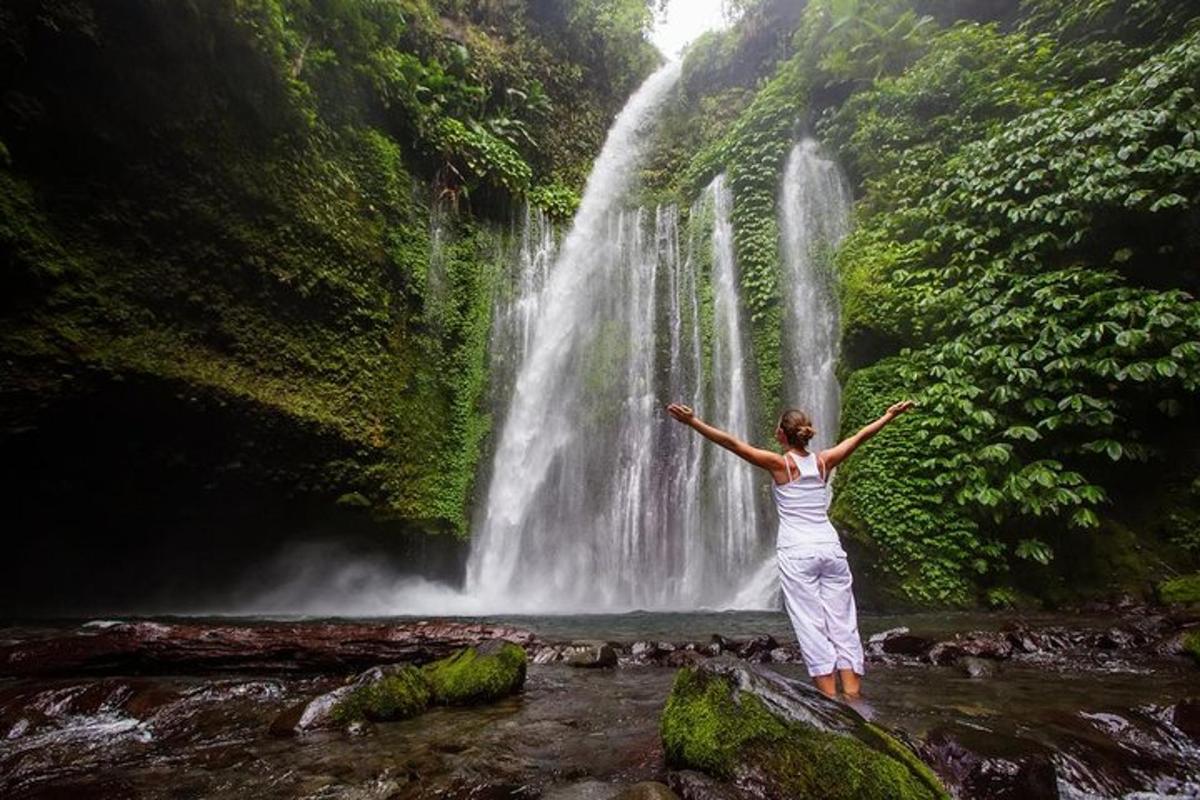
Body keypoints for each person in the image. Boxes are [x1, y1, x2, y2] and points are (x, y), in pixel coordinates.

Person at [666, 399, 914, 698]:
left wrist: (693, 422)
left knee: (811, 625)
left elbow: (732, 443)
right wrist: (888, 415)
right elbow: (860, 437)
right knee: (843, 622)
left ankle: (830, 701)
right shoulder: (824, 461)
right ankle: (853, 695)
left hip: (798, 553)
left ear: (782, 435)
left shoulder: (780, 464)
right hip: (831, 550)